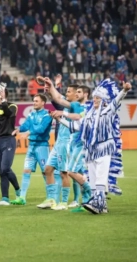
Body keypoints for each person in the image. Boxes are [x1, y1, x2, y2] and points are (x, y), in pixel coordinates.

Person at [55, 80, 131, 214]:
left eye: (98, 98)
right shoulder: (89, 115)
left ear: (103, 99)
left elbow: (116, 101)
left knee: (101, 177)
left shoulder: (107, 111)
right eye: (95, 97)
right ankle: (100, 204)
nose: (95, 99)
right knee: (93, 178)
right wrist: (60, 120)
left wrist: (124, 90)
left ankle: (98, 204)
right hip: (91, 152)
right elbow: (76, 126)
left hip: (103, 149)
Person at [44, 80, 91, 210]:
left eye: (79, 92)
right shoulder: (75, 105)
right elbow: (58, 99)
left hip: (85, 143)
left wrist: (62, 114)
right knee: (75, 172)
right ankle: (85, 200)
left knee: (76, 172)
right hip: (74, 142)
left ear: (85, 94)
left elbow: (77, 117)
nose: (76, 94)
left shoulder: (91, 107)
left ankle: (87, 198)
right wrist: (52, 86)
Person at [37, 79, 79, 210]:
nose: (66, 93)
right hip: (58, 142)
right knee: (48, 170)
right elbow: (56, 98)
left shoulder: (76, 106)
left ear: (76, 94)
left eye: (69, 91)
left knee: (64, 173)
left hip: (67, 143)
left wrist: (52, 87)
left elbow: (59, 100)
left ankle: (64, 202)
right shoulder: (66, 105)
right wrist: (50, 87)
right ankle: (51, 199)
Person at [9, 95, 52, 205]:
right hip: (32, 146)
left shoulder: (47, 115)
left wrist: (28, 132)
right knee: (26, 170)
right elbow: (25, 125)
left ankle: (50, 197)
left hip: (42, 146)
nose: (34, 103)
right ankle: (22, 198)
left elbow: (41, 129)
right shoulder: (31, 114)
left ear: (43, 103)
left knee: (45, 172)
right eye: (33, 101)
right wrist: (18, 129)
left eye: (37, 101)